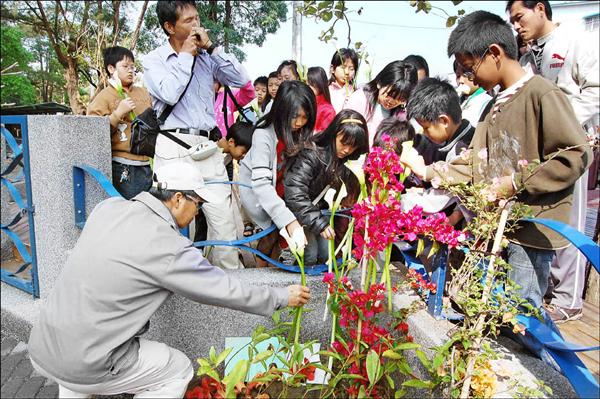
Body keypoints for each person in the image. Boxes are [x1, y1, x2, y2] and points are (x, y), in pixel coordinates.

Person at [27, 161, 311, 398]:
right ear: (178, 198)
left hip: (44, 344)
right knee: (177, 370)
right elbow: (222, 288)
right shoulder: (167, 244)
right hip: (88, 361)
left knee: (75, 359)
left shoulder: (108, 208)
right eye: (197, 203)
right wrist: (280, 296)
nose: (197, 212)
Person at [400, 10, 592, 311]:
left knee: (521, 314)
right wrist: (429, 171)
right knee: (493, 313)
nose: (469, 76)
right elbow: (474, 163)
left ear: (494, 54)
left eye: (469, 67)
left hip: (531, 232)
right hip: (498, 229)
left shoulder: (541, 93)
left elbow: (574, 154)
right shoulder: (494, 106)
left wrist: (515, 182)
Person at [507, 0, 599, 323]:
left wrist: (564, 121)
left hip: (572, 141)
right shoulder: (531, 53)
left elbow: (596, 90)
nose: (517, 25)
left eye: (519, 17)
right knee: (549, 217)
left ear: (541, 9)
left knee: (569, 222)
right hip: (542, 147)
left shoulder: (577, 40)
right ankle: (548, 290)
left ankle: (569, 299)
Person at [143, 0, 248, 269]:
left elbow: (240, 79)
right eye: (188, 21)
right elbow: (169, 93)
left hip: (207, 146)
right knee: (173, 221)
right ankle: (177, 283)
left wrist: (211, 48)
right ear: (169, 26)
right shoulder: (154, 60)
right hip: (173, 145)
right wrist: (186, 56)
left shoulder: (208, 57)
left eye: (197, 18)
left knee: (223, 220)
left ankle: (228, 286)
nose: (196, 25)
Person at [239, 81, 316, 267]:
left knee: (276, 240)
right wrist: (289, 221)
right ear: (281, 111)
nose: (299, 123)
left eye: (305, 117)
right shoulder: (263, 135)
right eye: (295, 117)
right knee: (271, 234)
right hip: (260, 192)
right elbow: (261, 186)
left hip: (282, 189)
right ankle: (261, 279)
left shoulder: (300, 132)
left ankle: (271, 277)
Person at [284, 110, 368, 265]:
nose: (347, 150)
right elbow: (295, 192)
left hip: (321, 212)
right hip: (303, 212)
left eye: (353, 146)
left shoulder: (348, 160)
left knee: (325, 255)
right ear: (334, 133)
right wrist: (319, 223)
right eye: (344, 143)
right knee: (309, 255)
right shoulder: (311, 153)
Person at [87, 46, 152, 200]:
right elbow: (93, 133)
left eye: (132, 66)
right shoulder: (103, 97)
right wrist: (117, 114)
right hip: (122, 165)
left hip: (146, 164)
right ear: (111, 68)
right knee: (128, 213)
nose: (131, 70)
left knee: (146, 211)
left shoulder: (143, 93)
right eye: (125, 66)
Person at [345, 60, 418, 147]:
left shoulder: (402, 114)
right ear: (380, 83)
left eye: (400, 99)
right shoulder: (360, 99)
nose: (392, 101)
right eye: (390, 94)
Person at [453, 59, 493, 126]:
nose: (461, 81)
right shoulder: (458, 103)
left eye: (465, 75)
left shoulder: (487, 102)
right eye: (458, 76)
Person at [329, 48, 359, 113]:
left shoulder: (356, 93)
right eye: (343, 67)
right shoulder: (327, 91)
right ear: (332, 69)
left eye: (351, 69)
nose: (347, 72)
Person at [307, 66, 336, 133]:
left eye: (309, 85)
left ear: (319, 85)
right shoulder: (305, 103)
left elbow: (324, 136)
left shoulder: (327, 111)